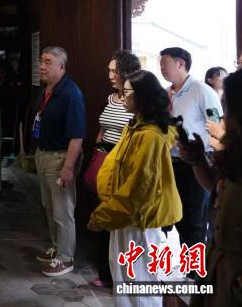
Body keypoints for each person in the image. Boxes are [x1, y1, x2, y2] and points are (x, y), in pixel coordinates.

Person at [88, 70, 182, 307]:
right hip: (126, 217)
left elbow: (139, 188)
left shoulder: (149, 137)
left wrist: (103, 215)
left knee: (138, 288)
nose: (122, 97)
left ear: (142, 97)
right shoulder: (135, 128)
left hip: (139, 221)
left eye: (127, 92)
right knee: (126, 283)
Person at [179, 68, 242, 307]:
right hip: (218, 270)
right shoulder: (237, 152)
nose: (224, 118)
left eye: (229, 109)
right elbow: (215, 187)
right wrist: (198, 160)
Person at [159, 47, 222, 254]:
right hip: (171, 164)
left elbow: (216, 126)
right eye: (160, 63)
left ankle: (196, 269)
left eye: (165, 63)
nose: (162, 67)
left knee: (195, 222)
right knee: (175, 218)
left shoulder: (201, 90)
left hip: (196, 165)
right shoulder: (166, 93)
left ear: (181, 64)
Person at [89, 50, 140, 288]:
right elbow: (103, 128)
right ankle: (105, 271)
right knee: (102, 212)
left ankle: (120, 274)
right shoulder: (110, 99)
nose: (110, 75)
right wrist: (98, 150)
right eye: (109, 70)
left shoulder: (137, 101)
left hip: (124, 163)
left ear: (126, 72)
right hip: (105, 159)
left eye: (114, 71)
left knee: (118, 217)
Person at [33, 46, 86, 277]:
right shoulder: (47, 89)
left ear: (61, 67)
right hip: (43, 154)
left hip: (60, 158)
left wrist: (68, 168)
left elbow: (77, 136)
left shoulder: (70, 94)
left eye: (48, 62)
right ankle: (57, 247)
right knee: (49, 206)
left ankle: (66, 258)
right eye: (41, 61)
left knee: (63, 211)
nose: (42, 66)